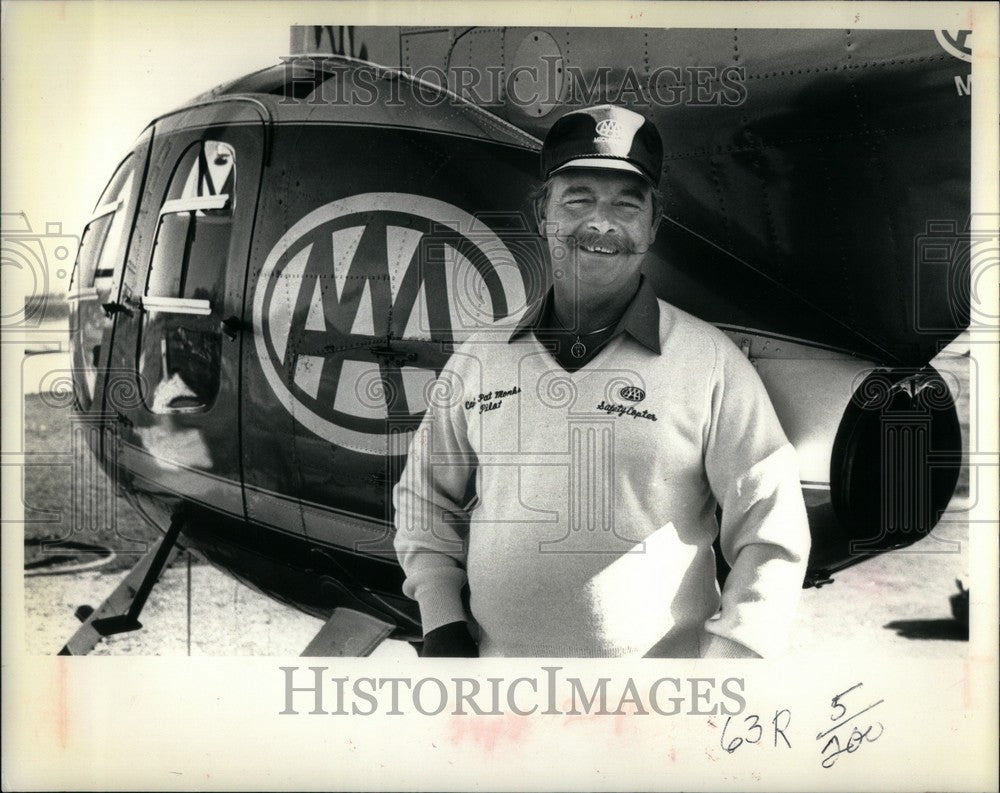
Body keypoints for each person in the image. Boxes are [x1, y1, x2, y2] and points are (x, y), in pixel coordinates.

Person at [393, 104, 811, 658]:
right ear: (543, 213)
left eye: (625, 204)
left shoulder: (711, 364)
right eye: (578, 199)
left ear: (653, 225)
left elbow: (772, 530)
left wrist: (732, 661)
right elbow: (424, 499)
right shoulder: (479, 359)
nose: (601, 223)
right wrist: (442, 622)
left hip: (658, 709)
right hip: (500, 698)